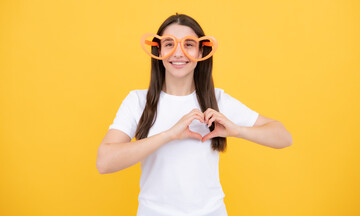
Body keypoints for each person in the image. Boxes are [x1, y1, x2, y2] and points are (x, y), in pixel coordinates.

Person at [96, 13, 293, 216]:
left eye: (188, 44)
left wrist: (237, 130)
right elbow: (104, 162)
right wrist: (169, 134)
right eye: (169, 44)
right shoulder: (138, 101)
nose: (178, 53)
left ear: (201, 52)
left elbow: (284, 136)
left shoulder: (218, 101)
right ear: (158, 50)